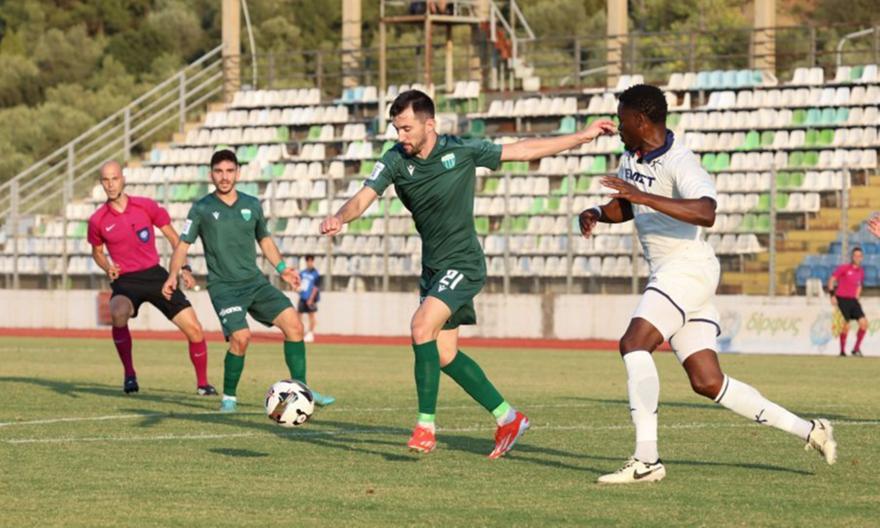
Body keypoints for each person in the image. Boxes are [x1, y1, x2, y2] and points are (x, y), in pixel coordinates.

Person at [320, 89, 616, 458]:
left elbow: (522, 149)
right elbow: (364, 196)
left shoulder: (460, 150)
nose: (401, 137)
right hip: (433, 268)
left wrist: (581, 136)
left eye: (407, 128)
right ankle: (508, 417)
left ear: (431, 124)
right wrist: (339, 217)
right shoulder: (395, 159)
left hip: (463, 262)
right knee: (444, 354)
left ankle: (425, 427)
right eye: (397, 129)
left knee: (420, 327)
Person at [578, 84, 837, 484]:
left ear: (641, 119)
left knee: (634, 344)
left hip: (686, 269)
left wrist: (643, 198)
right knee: (708, 382)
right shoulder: (632, 156)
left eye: (622, 117)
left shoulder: (682, 161)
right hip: (675, 275)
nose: (618, 124)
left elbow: (706, 211)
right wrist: (599, 211)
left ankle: (646, 461)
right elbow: (628, 204)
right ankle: (811, 430)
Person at [162, 149, 335, 412]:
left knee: (295, 326)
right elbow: (183, 245)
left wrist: (282, 268)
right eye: (219, 171)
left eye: (230, 171)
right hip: (224, 287)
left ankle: (302, 389)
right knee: (241, 338)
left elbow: (264, 239)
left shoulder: (252, 204)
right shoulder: (201, 208)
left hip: (255, 282)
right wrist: (174, 273)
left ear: (238, 173)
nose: (224, 177)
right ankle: (229, 397)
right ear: (211, 174)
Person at [88, 161, 215, 395]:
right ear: (101, 184)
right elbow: (97, 252)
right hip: (126, 281)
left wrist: (184, 268)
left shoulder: (145, 206)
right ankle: (129, 374)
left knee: (194, 328)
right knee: (117, 311)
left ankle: (203, 384)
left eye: (114, 178)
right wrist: (108, 267)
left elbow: (173, 237)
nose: (110, 184)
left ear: (123, 179)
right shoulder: (97, 220)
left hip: (155, 276)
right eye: (105, 180)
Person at [828, 246, 867, 357]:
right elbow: (832, 280)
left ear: (862, 258)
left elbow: (859, 285)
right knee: (846, 326)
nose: (857, 257)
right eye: (855, 255)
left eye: (859, 256)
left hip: (853, 300)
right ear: (852, 257)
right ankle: (842, 351)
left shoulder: (861, 272)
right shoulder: (844, 268)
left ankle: (856, 349)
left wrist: (857, 297)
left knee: (864, 324)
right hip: (842, 299)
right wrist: (832, 295)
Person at [297, 255, 321, 343]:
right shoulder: (302, 273)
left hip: (311, 298)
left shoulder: (315, 274)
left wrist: (311, 298)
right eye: (308, 261)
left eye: (311, 261)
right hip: (302, 297)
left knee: (311, 316)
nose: (309, 263)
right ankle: (300, 333)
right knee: (299, 316)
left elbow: (316, 287)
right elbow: (298, 284)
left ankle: (310, 333)